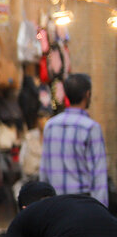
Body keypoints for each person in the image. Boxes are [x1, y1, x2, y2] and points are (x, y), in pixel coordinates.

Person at [39, 74, 108, 207]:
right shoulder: (91, 128)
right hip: (82, 205)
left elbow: (44, 171)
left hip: (56, 204)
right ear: (87, 94)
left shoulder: (50, 125)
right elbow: (99, 177)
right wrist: (101, 211)